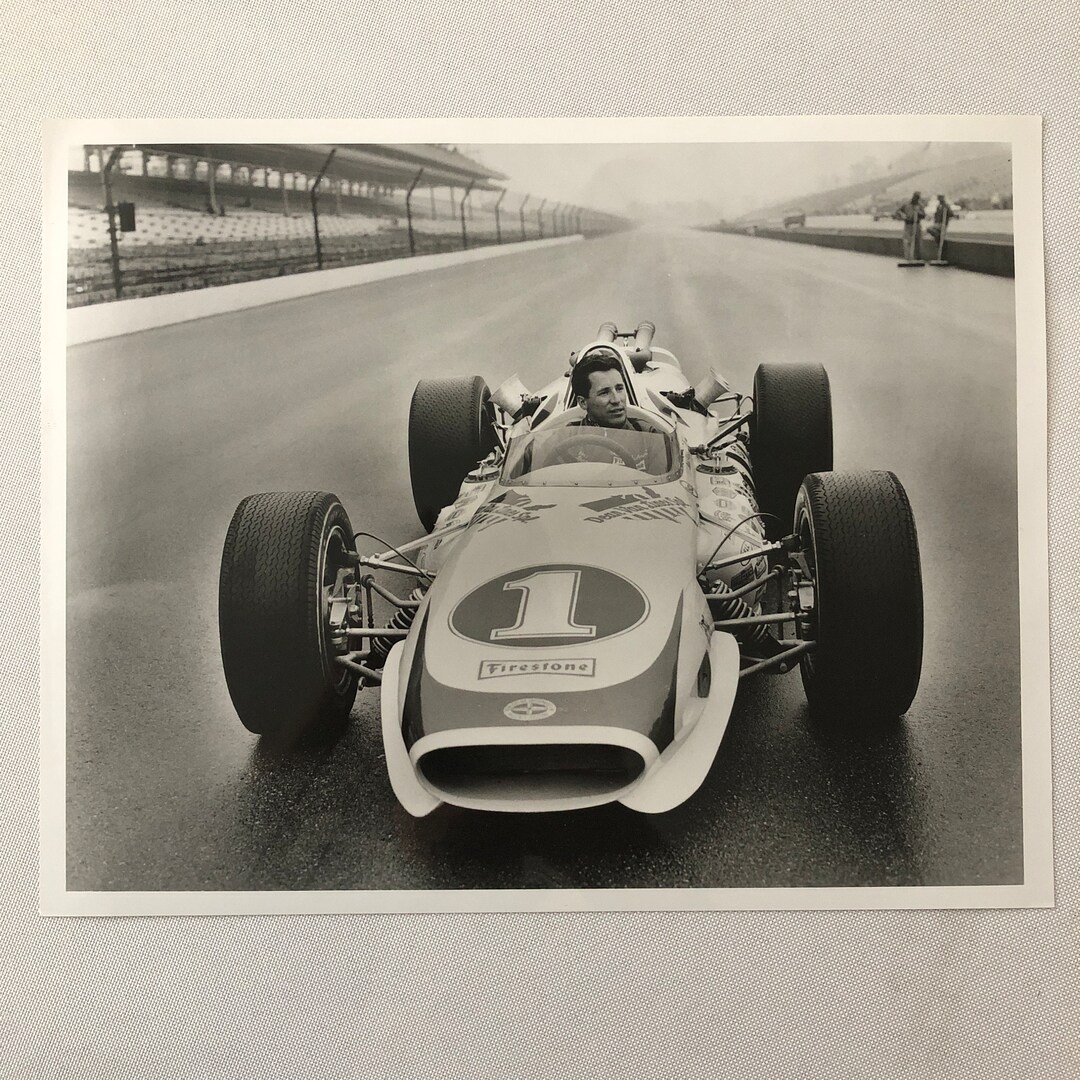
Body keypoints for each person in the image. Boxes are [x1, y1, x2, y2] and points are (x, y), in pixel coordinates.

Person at [893, 191, 926, 262]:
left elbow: (923, 215)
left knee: (918, 241)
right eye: (915, 197)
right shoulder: (906, 204)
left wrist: (918, 212)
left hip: (917, 224)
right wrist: (902, 216)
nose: (916, 199)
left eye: (918, 198)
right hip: (908, 224)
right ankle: (908, 258)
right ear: (913, 197)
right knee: (907, 241)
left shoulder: (920, 205)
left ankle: (918, 258)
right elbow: (898, 211)